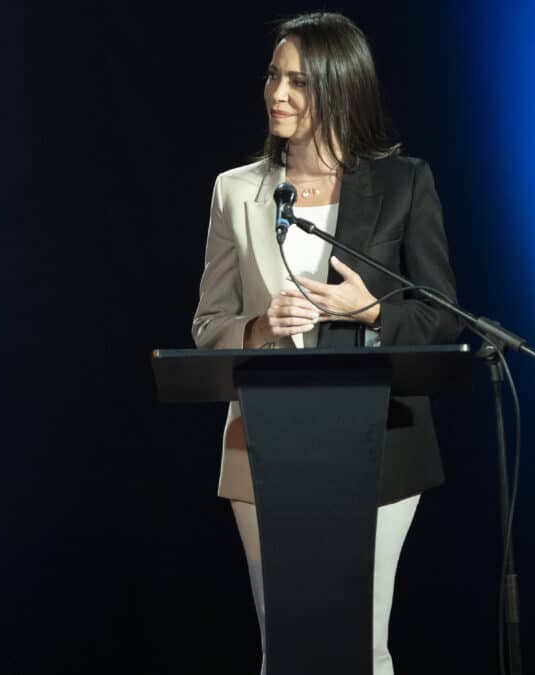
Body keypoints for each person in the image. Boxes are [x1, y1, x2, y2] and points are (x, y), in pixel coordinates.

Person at [190, 12, 461, 675]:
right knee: (283, 647)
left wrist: (371, 310)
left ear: (339, 87)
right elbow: (208, 325)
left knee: (363, 647)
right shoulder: (238, 191)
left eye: (298, 83)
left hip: (381, 440)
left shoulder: (404, 183)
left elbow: (441, 317)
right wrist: (258, 329)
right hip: (262, 442)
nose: (277, 94)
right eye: (273, 77)